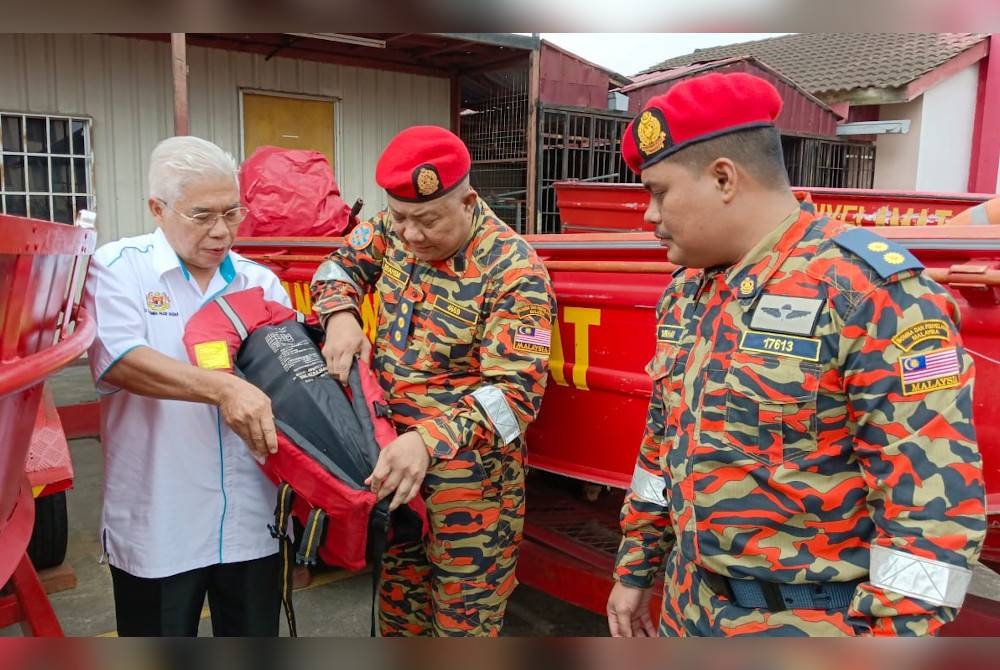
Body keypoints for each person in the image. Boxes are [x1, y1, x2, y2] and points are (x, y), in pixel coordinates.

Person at [606, 72, 987, 637]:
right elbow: (660, 451)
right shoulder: (688, 292)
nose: (649, 216)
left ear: (723, 178)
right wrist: (636, 567)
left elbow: (932, 516)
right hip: (688, 609)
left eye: (659, 192)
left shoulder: (870, 294)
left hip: (811, 624)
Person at [310, 125, 554, 636]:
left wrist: (427, 440)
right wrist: (340, 314)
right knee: (399, 619)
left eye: (427, 221)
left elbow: (514, 397)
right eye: (399, 218)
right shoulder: (392, 228)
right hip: (395, 471)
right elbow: (338, 266)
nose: (410, 234)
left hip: (471, 492)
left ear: (468, 201)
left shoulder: (514, 271)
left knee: (462, 632)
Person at [85, 136, 289, 636]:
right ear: (158, 208)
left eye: (233, 213)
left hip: (249, 517)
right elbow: (120, 360)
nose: (222, 232)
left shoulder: (259, 283)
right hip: (161, 519)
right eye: (202, 216)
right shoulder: (119, 269)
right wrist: (223, 390)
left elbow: (292, 374)